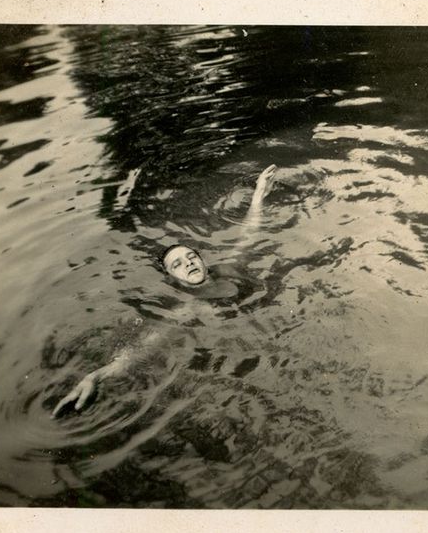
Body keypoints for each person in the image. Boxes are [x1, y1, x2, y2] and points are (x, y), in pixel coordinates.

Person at [52, 163, 278, 418]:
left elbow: (248, 234)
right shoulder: (188, 308)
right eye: (178, 264)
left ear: (203, 261)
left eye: (191, 257)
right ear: (172, 279)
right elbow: (145, 346)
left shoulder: (226, 270)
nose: (189, 263)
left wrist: (258, 195)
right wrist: (96, 376)